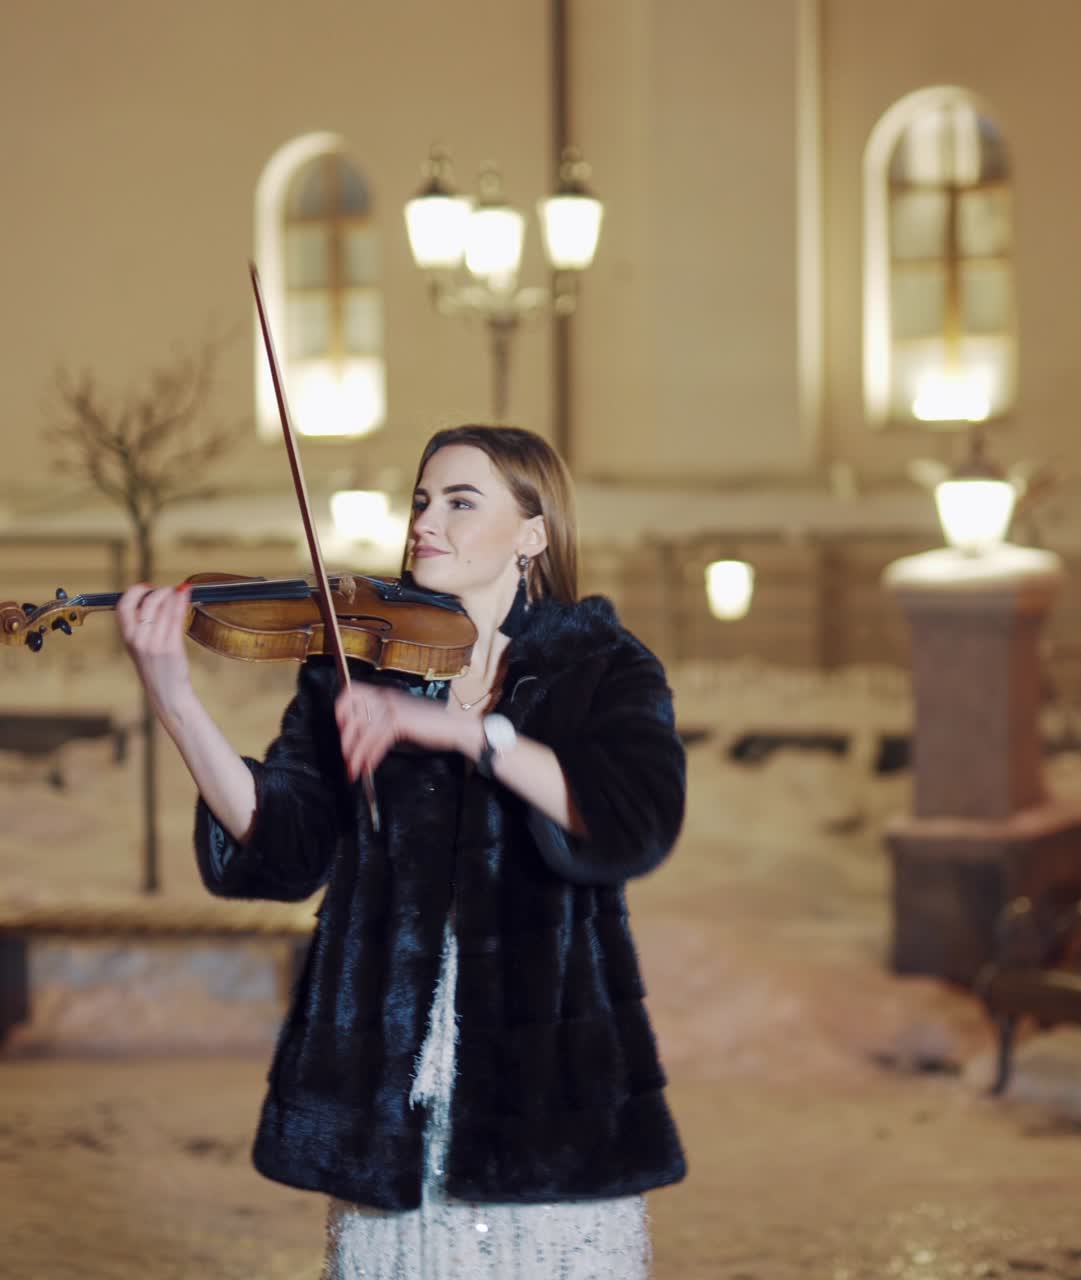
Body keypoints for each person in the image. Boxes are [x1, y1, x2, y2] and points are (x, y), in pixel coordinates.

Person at [116, 424, 687, 1278]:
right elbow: (284, 843)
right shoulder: (359, 664)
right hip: (390, 1088)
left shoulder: (600, 668)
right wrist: (174, 700)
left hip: (550, 1090)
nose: (427, 520)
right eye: (423, 500)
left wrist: (470, 735)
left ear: (532, 534)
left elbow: (632, 818)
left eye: (462, 502)